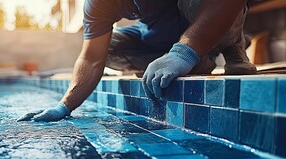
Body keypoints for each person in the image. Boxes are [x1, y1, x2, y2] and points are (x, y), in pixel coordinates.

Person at [18, 0, 256, 122]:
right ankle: (197, 59)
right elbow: (91, 58)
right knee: (107, 48)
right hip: (160, 37)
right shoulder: (98, 4)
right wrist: (64, 105)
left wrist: (183, 54)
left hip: (203, 18)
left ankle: (231, 45)